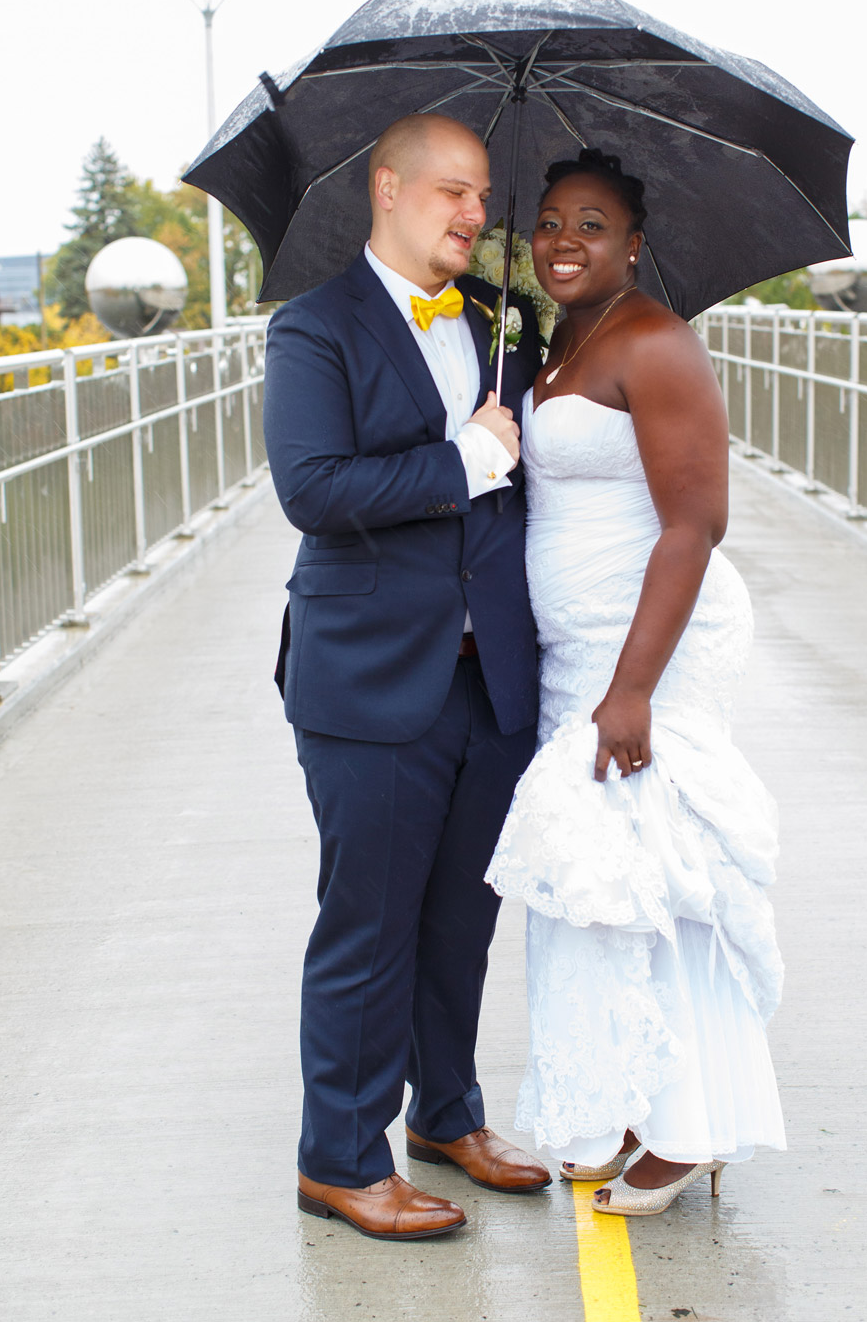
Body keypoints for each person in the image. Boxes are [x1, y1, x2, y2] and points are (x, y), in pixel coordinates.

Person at [264, 113, 551, 1240]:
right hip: (370, 677)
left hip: (489, 676)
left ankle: (446, 1115)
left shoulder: (497, 325)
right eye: (454, 193)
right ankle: (338, 1157)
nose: (476, 218)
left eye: (484, 199)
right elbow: (314, 488)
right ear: (387, 189)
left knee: (458, 920)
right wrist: (464, 460)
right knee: (368, 924)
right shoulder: (313, 328)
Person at [485, 148, 785, 1216]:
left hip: (643, 649)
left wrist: (633, 688)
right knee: (594, 881)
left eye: (593, 225)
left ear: (635, 245)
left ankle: (688, 1129)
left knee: (661, 877)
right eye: (551, 222)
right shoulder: (557, 340)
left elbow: (694, 522)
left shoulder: (654, 340)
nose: (565, 241)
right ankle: (621, 1099)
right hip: (575, 651)